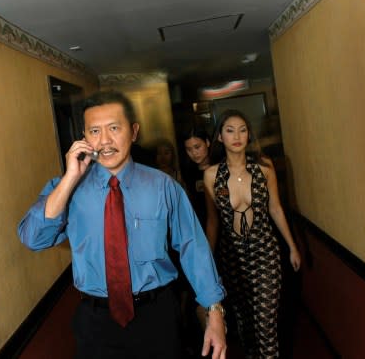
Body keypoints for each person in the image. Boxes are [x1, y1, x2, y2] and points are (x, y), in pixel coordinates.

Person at [18, 90, 227, 359]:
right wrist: (69, 178)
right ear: (84, 137)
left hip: (157, 316)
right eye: (94, 131)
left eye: (114, 128)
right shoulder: (67, 189)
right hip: (96, 322)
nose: (105, 140)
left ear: (134, 131)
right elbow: (33, 238)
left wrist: (215, 313)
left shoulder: (164, 187)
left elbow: (193, 248)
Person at [203, 109, 301, 358]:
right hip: (232, 259)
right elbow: (213, 222)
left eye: (243, 129)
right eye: (229, 130)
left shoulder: (265, 169)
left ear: (249, 135)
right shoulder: (211, 176)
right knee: (246, 327)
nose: (237, 135)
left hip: (265, 254)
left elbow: (276, 209)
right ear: (220, 138)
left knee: (265, 326)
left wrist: (292, 247)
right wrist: (206, 262)